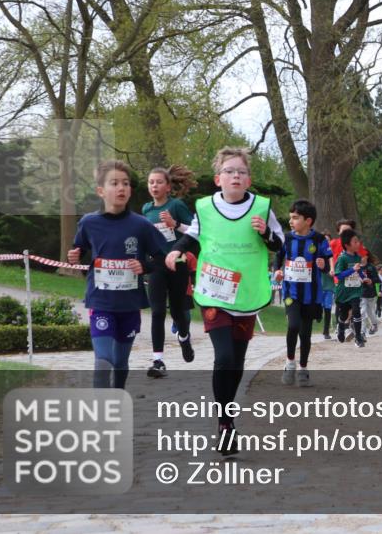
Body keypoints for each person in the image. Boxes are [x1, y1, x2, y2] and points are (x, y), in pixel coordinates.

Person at [165, 146, 284, 455]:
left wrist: (265, 236)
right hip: (214, 291)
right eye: (229, 171)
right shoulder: (204, 207)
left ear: (248, 179)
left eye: (241, 172)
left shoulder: (262, 208)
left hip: (246, 292)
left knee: (238, 359)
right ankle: (225, 423)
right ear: (218, 179)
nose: (235, 176)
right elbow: (193, 235)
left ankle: (227, 414)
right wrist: (177, 249)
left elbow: (279, 243)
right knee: (225, 356)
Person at [68, 160, 167, 390]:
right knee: (104, 360)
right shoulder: (89, 222)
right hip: (101, 301)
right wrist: (75, 256)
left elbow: (163, 258)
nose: (121, 188)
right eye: (114, 183)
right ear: (101, 191)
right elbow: (80, 249)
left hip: (129, 304)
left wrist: (145, 266)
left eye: (125, 183)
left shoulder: (140, 225)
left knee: (121, 362)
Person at [142, 165, 197, 377]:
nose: (154, 186)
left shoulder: (176, 205)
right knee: (156, 312)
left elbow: (195, 231)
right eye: (151, 182)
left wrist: (175, 224)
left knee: (176, 311)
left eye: (159, 182)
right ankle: (158, 361)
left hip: (178, 264)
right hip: (156, 265)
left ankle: (184, 337)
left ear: (168, 187)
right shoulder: (147, 210)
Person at [273, 199, 332, 386]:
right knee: (293, 326)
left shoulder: (319, 240)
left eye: (295, 218)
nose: (291, 221)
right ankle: (290, 363)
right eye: (290, 217)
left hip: (312, 295)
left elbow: (326, 261)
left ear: (308, 221)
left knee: (305, 333)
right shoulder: (287, 239)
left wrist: (323, 266)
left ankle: (303, 368)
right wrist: (278, 270)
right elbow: (278, 257)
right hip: (291, 292)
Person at [333, 228, 368, 347]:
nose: (358, 244)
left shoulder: (358, 257)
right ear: (347, 245)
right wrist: (352, 269)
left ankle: (358, 337)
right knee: (343, 315)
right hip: (344, 292)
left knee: (356, 311)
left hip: (355, 291)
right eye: (355, 242)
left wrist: (364, 278)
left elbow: (359, 272)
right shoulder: (342, 258)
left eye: (358, 241)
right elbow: (338, 275)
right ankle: (341, 328)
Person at [360, 252, 381, 334]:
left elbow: (377, 280)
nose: (361, 257)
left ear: (367, 256)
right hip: (360, 292)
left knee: (370, 312)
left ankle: (374, 324)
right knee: (362, 312)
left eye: (363, 255)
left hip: (370, 292)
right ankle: (362, 332)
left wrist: (370, 280)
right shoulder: (356, 267)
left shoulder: (371, 267)